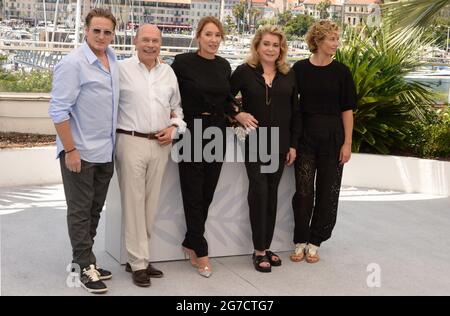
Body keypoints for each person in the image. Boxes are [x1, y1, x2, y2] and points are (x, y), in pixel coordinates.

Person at [48, 8, 119, 294]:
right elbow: (58, 111)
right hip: (80, 152)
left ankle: (84, 259)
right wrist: (71, 150)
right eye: (96, 30)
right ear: (85, 30)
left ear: (114, 34)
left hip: (105, 151)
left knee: (94, 210)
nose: (102, 36)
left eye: (107, 32)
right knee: (79, 211)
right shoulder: (73, 63)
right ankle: (82, 266)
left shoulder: (112, 59)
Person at [115, 24, 186, 287]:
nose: (151, 45)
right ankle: (138, 262)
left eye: (155, 40)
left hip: (160, 143)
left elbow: (177, 109)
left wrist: (173, 128)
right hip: (129, 140)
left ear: (161, 44)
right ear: (135, 42)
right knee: (134, 203)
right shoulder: (121, 70)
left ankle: (140, 258)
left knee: (149, 204)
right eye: (145, 40)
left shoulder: (168, 72)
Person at [171, 16, 241, 278]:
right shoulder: (182, 62)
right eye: (208, 34)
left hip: (216, 131)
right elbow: (170, 95)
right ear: (198, 36)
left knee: (207, 192)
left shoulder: (224, 65)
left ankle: (190, 241)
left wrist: (237, 112)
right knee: (192, 192)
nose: (213, 40)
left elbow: (226, 99)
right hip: (191, 131)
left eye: (217, 36)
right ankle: (201, 250)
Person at [230, 25, 301, 273]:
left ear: (281, 49)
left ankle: (266, 247)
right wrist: (238, 114)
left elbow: (295, 112)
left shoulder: (288, 74)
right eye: (266, 44)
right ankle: (259, 250)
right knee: (259, 192)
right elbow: (225, 99)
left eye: (276, 45)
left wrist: (293, 144)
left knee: (272, 193)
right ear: (257, 46)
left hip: (281, 143)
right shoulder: (244, 72)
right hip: (255, 141)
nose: (271, 49)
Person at [290, 20, 357, 263]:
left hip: (333, 139)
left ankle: (315, 241)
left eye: (337, 39)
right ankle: (300, 239)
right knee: (304, 192)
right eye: (331, 39)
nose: (336, 44)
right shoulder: (299, 69)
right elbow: (289, 103)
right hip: (306, 137)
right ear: (317, 41)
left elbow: (348, 111)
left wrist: (347, 143)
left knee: (328, 192)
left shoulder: (342, 72)